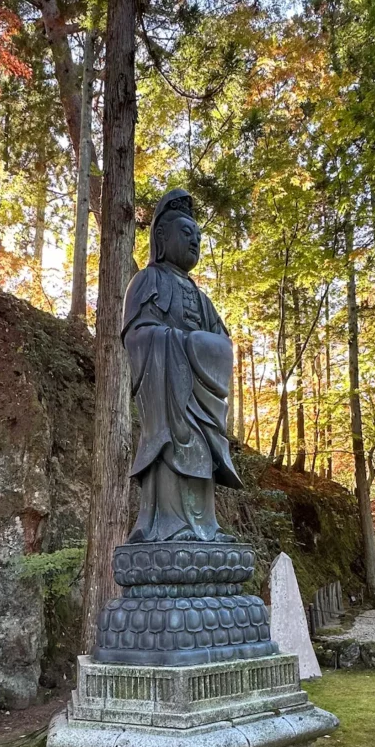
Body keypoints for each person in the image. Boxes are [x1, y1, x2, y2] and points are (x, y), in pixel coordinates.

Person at [122, 188, 242, 543]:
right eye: (187, 233)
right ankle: (169, 527)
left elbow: (223, 344)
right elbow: (136, 336)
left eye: (199, 238)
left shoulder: (202, 298)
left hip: (198, 397)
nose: (195, 242)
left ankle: (206, 528)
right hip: (169, 393)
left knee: (202, 454)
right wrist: (183, 344)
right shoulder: (147, 281)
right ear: (161, 236)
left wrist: (201, 347)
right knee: (174, 448)